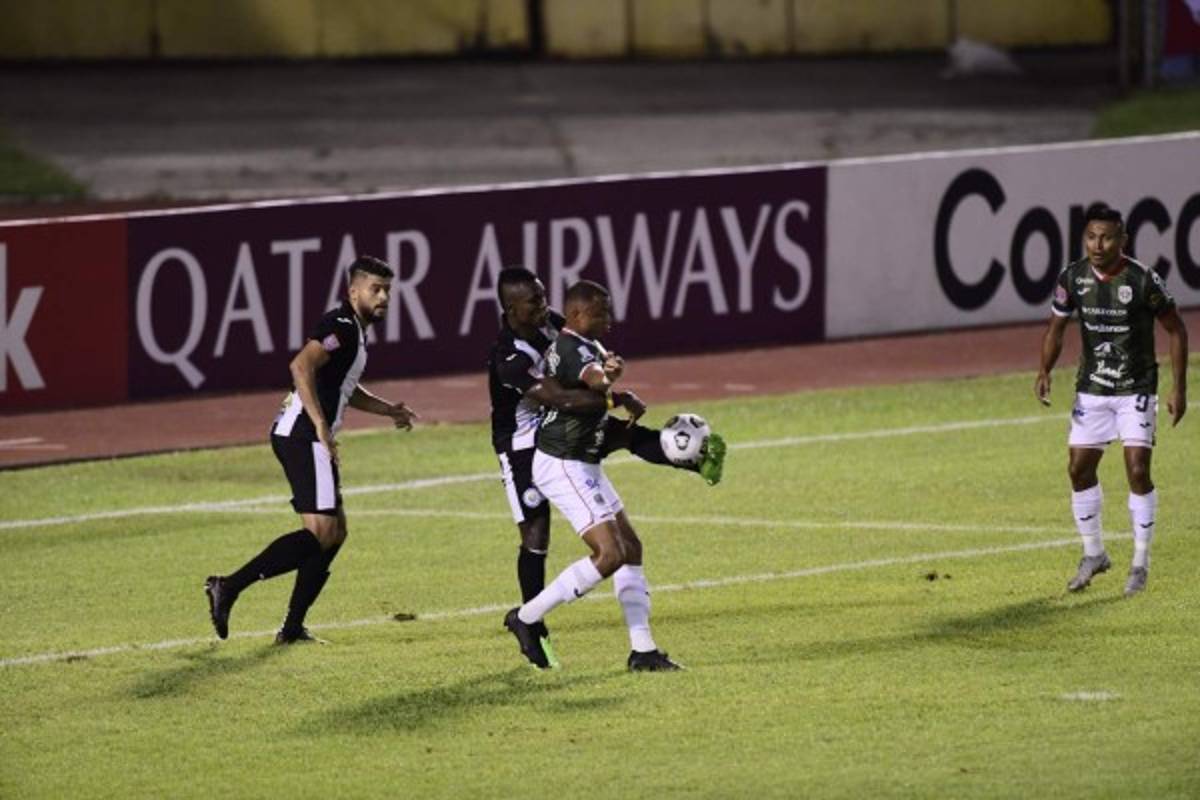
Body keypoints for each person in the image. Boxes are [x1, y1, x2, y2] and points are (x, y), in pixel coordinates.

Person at [487, 267, 725, 666]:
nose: (544, 305)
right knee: (541, 535)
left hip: (568, 431)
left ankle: (643, 651)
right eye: (534, 300)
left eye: (544, 296)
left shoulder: (556, 326)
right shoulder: (509, 357)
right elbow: (561, 398)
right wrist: (615, 395)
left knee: (629, 542)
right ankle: (530, 620)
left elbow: (584, 365)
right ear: (512, 308)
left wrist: (606, 377)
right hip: (526, 442)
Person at [204, 255, 418, 643]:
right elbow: (301, 366)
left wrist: (388, 410)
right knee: (322, 532)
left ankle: (291, 628)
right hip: (302, 434)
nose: (384, 297)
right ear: (353, 291)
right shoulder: (341, 325)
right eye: (375, 289)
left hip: (308, 434)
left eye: (387, 290)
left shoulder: (354, 330)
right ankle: (228, 586)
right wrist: (320, 423)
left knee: (335, 533)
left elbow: (343, 387)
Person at [1035, 203, 1188, 597]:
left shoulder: (1142, 280)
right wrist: (1045, 370)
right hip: (1093, 389)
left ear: (1123, 239)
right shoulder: (1073, 277)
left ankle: (1140, 562)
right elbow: (1056, 328)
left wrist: (1178, 387)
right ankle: (1094, 554)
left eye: (1106, 237)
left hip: (1135, 388)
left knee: (1137, 470)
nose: (1097, 245)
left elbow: (1176, 330)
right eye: (1091, 237)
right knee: (1078, 469)